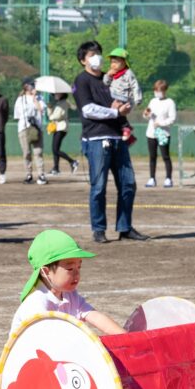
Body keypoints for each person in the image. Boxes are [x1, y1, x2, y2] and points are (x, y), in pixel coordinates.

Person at [72, 40, 148, 244]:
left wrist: (125, 109)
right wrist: (115, 111)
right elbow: (88, 110)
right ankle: (99, 229)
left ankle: (125, 227)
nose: (96, 57)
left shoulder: (109, 80)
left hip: (118, 138)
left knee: (128, 183)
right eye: (90, 54)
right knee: (99, 187)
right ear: (82, 60)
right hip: (97, 139)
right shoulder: (82, 81)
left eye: (98, 52)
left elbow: (122, 102)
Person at [11, 229, 125, 335]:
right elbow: (47, 341)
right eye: (70, 269)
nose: (77, 274)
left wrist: (127, 337)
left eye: (79, 267)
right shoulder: (36, 303)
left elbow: (96, 317)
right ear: (45, 272)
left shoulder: (70, 295)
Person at [103, 47, 142, 145]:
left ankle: (126, 127)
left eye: (116, 62)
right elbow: (105, 83)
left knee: (116, 112)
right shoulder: (113, 73)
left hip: (123, 98)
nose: (113, 64)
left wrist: (138, 98)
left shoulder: (128, 73)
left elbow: (135, 85)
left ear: (124, 62)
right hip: (112, 96)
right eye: (112, 62)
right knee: (111, 114)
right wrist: (108, 75)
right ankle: (127, 134)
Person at [144, 79, 176, 188]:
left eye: (160, 90)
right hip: (151, 133)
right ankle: (152, 178)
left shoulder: (170, 102)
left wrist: (161, 123)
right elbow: (147, 115)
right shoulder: (153, 101)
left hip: (163, 133)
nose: (157, 92)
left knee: (165, 156)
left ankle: (168, 179)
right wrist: (146, 114)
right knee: (152, 156)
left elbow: (172, 119)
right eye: (156, 90)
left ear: (165, 90)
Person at [14, 78, 47, 185]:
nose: (33, 87)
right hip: (24, 128)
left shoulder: (40, 98)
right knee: (26, 153)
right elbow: (18, 116)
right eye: (32, 85)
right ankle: (29, 174)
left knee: (38, 152)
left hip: (37, 128)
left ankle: (41, 174)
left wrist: (34, 98)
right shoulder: (20, 99)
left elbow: (41, 109)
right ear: (26, 86)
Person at [47, 93, 78, 175]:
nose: (55, 95)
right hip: (58, 127)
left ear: (61, 94)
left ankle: (72, 161)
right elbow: (51, 115)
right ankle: (56, 168)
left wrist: (51, 114)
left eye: (56, 94)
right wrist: (49, 108)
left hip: (61, 127)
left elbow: (56, 116)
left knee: (55, 149)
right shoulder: (59, 103)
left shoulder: (63, 103)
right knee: (55, 149)